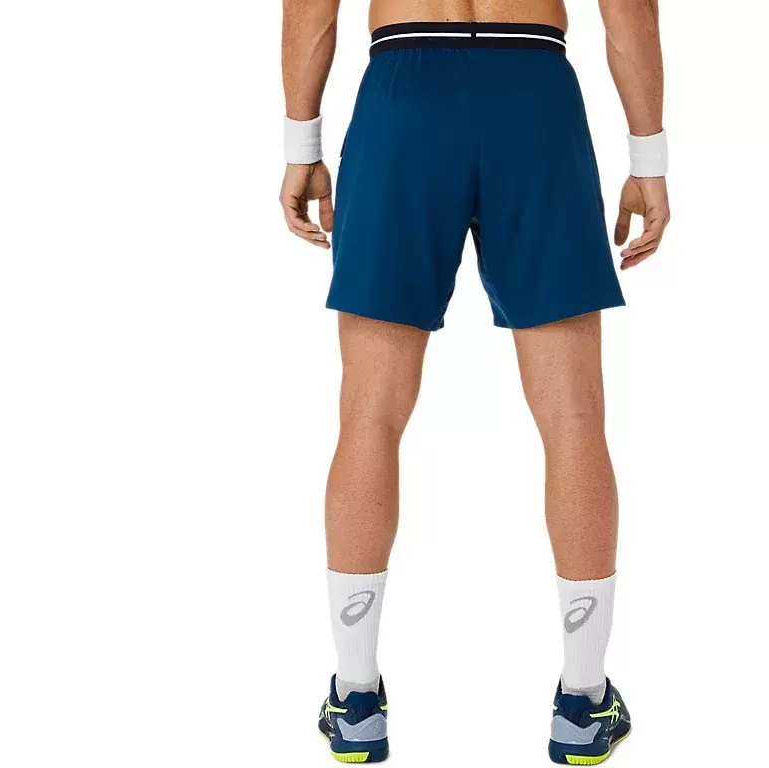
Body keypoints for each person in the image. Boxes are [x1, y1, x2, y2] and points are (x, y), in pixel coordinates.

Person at [280, 0, 669, 762]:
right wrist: (648, 158)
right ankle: (584, 702)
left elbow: (309, 6)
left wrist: (302, 143)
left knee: (369, 414)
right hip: (534, 94)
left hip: (405, 93)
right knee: (574, 418)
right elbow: (629, 9)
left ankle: (355, 700)